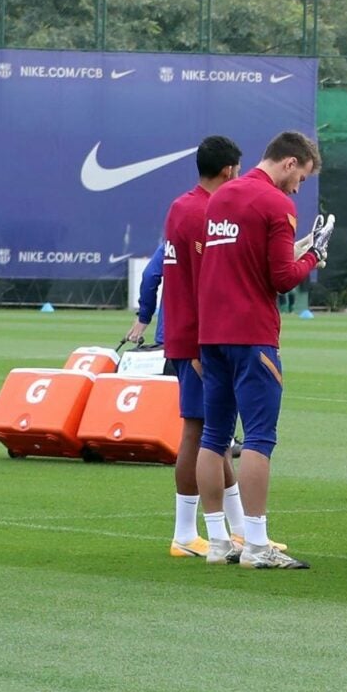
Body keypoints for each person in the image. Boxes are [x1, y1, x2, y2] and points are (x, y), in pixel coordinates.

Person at [196, 130, 327, 570]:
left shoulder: (220, 198)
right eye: (301, 178)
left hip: (212, 333)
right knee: (258, 438)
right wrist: (314, 255)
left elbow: (242, 260)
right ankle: (255, 544)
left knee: (213, 436)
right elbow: (282, 278)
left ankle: (217, 542)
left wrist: (295, 252)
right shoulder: (275, 203)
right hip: (252, 334)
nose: (298, 188)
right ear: (290, 162)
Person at [126, 135, 247, 561]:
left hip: (184, 333)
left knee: (216, 434)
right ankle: (184, 533)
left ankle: (240, 530)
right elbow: (207, 280)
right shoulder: (204, 212)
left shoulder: (182, 205)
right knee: (199, 433)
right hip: (198, 338)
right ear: (229, 170)